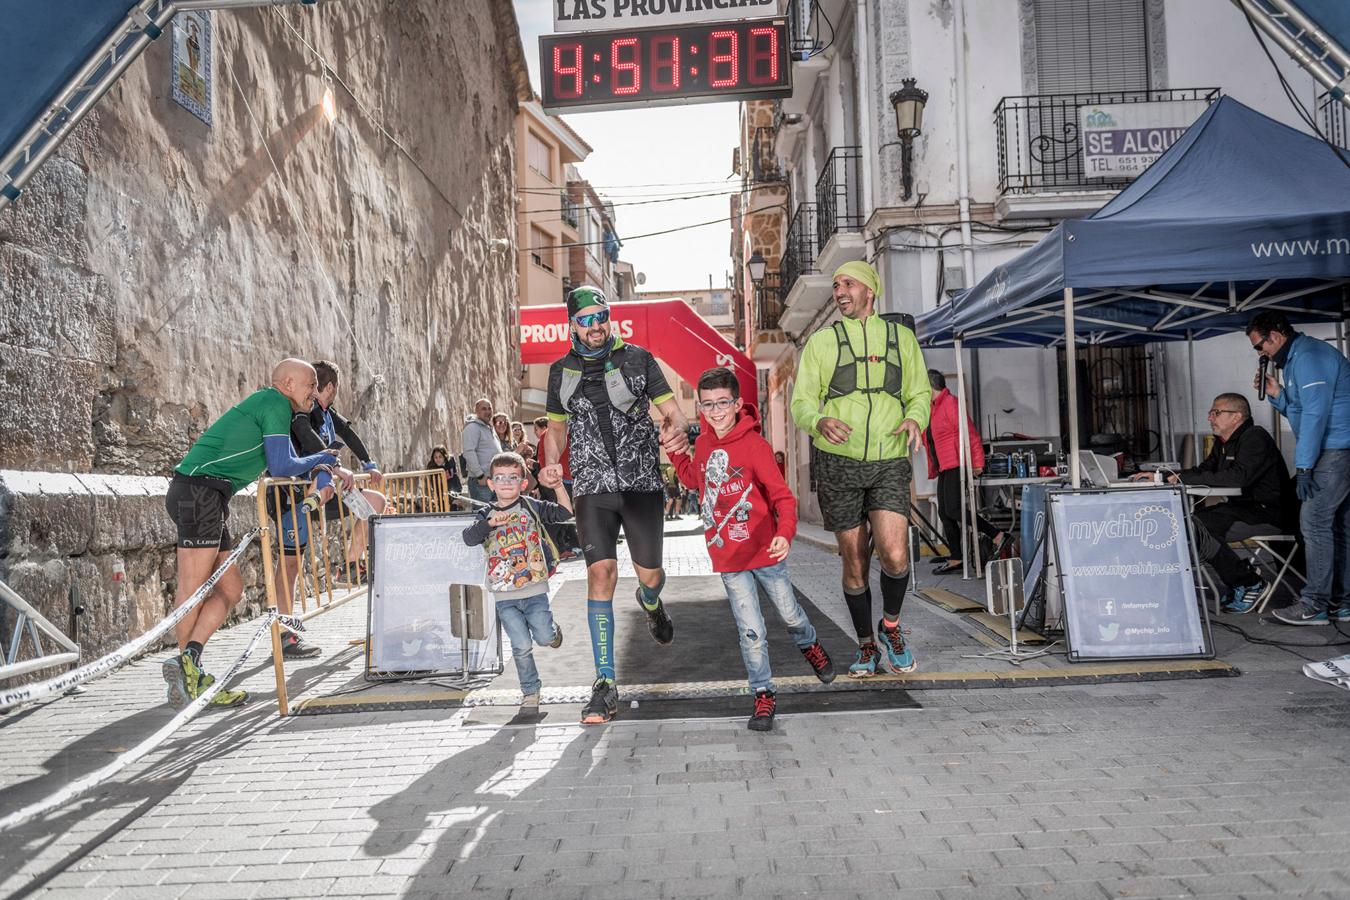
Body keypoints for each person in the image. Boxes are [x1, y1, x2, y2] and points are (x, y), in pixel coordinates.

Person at [539, 284, 689, 724]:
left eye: (601, 317)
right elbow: (556, 429)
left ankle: (650, 601)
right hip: (591, 487)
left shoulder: (639, 359)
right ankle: (605, 682)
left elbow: (672, 410)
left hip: (641, 483)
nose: (596, 326)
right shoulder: (559, 371)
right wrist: (550, 465)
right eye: (585, 320)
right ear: (572, 326)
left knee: (651, 575)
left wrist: (680, 431)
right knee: (600, 574)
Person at [164, 359, 339, 707]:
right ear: (287, 383)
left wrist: (319, 462)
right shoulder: (274, 403)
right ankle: (187, 677)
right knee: (193, 590)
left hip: (209, 495)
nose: (314, 392)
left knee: (231, 589)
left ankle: (189, 660)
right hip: (200, 493)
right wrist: (324, 460)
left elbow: (291, 461)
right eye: (310, 384)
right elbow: (282, 465)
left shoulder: (275, 407)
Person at [789, 261, 932, 678]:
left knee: (894, 553)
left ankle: (891, 626)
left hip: (889, 458)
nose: (839, 291)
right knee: (853, 560)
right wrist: (818, 422)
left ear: (870, 289)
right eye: (835, 285)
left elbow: (919, 391)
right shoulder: (821, 343)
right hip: (838, 463)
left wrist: (915, 419)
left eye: (848, 283)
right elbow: (801, 403)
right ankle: (867, 646)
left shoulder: (901, 338)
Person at [673, 368, 834, 731]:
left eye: (723, 404)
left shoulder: (754, 446)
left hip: (765, 552)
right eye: (708, 404)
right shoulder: (703, 445)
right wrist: (676, 454)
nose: (716, 412)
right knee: (752, 631)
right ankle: (763, 694)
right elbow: (697, 482)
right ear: (701, 406)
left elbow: (784, 498)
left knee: (790, 615)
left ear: (737, 404)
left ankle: (810, 645)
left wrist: (786, 533)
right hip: (729, 559)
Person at [1131, 392, 1292, 612]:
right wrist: (1162, 475)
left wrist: (1178, 478)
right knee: (1187, 523)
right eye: (1211, 413)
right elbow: (1203, 471)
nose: (1210, 418)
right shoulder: (1223, 443)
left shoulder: (1255, 437)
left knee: (1195, 527)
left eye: (1216, 413)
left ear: (1236, 417)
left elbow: (1238, 477)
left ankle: (1249, 582)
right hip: (1241, 509)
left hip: (1268, 513)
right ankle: (1238, 581)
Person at [1248, 312, 1350, 625]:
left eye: (1260, 345)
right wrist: (1278, 395)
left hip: (1335, 449)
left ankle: (1314, 604)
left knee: (1314, 522)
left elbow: (1317, 416)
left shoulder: (1309, 356)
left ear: (1276, 334)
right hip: (1335, 447)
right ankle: (1342, 602)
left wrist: (1303, 466)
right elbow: (1302, 414)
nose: (1261, 353)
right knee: (1339, 525)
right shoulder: (1295, 361)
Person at [462, 452, 571, 710]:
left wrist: (557, 487)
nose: (506, 482)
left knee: (543, 637)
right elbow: (468, 538)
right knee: (521, 646)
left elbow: (565, 512)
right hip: (504, 597)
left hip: (534, 590)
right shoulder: (485, 513)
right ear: (490, 483)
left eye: (513, 477)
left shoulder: (531, 506)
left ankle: (553, 633)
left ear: (523, 482)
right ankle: (530, 691)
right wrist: (488, 524)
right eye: (500, 477)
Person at [924, 369, 1003, 575]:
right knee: (944, 512)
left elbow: (970, 434)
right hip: (944, 466)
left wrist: (977, 463)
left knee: (954, 510)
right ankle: (956, 557)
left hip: (956, 463)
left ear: (929, 386)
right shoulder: (932, 408)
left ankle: (997, 535)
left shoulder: (950, 404)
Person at [462, 399, 500, 504]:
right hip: (481, 482)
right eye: (484, 409)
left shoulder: (489, 428)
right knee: (484, 517)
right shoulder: (472, 428)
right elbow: (469, 452)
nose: (487, 411)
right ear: (477, 411)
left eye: (489, 408)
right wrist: (480, 475)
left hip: (494, 480)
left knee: (496, 516)